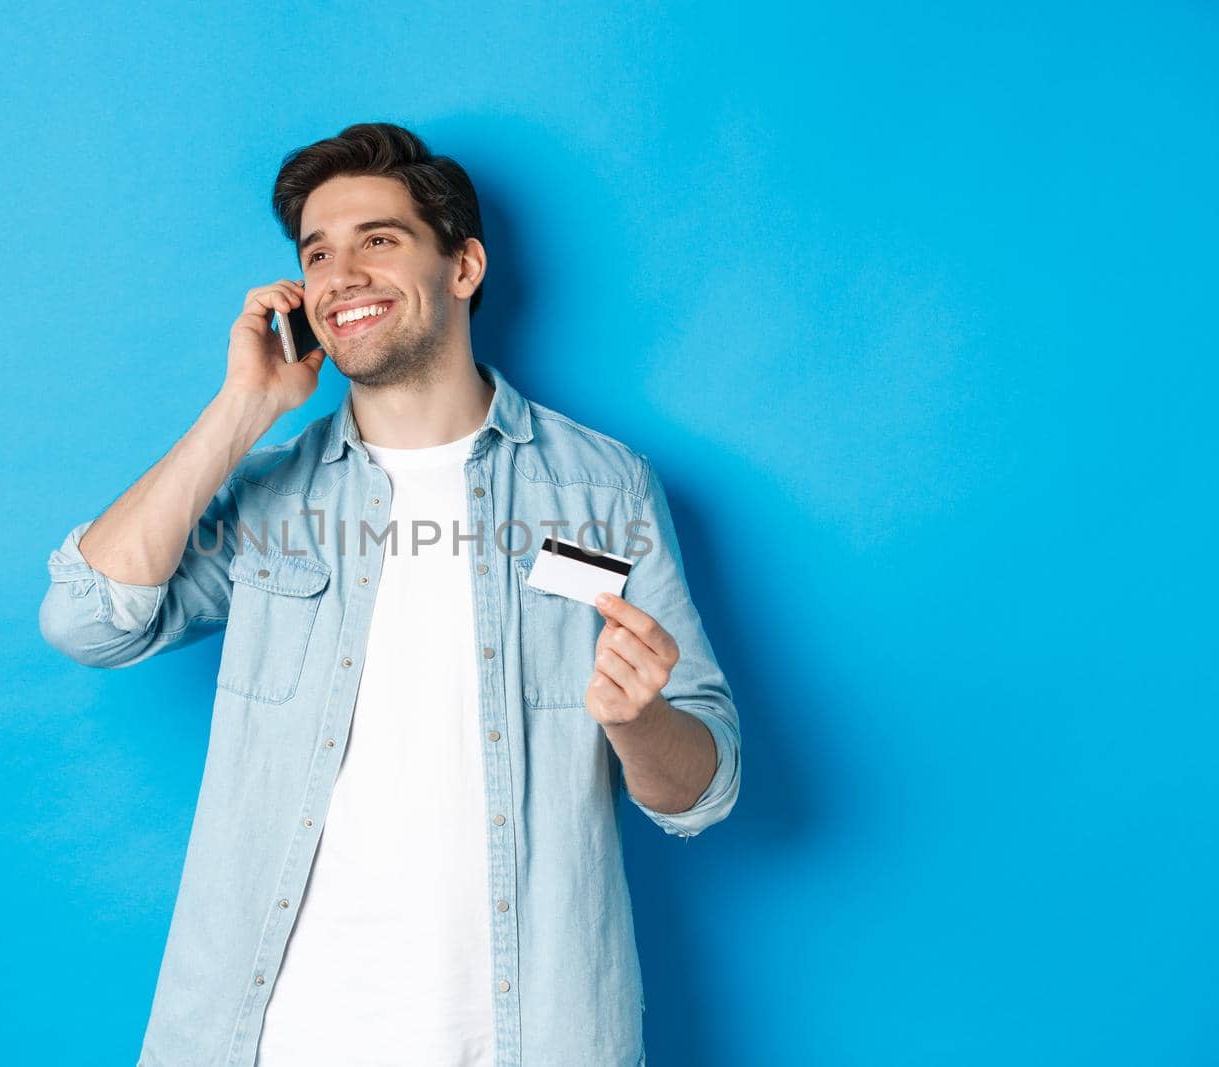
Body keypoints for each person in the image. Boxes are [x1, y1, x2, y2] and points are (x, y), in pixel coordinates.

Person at [38, 122, 740, 1067]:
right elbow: (86, 619)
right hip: (269, 1037)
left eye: (379, 239)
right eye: (316, 253)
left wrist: (636, 719)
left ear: (464, 265)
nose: (341, 274)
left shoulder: (600, 492)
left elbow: (702, 790)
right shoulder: (269, 500)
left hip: (527, 1035)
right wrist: (243, 407)